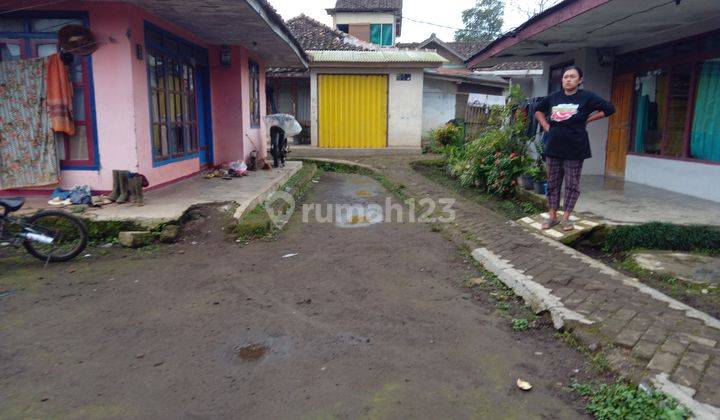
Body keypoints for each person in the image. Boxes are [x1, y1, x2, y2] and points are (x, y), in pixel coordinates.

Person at [534, 66, 615, 231]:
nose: (568, 79)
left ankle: (566, 218)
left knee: (572, 184)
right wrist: (545, 125)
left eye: (572, 76)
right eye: (565, 77)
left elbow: (609, 109)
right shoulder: (553, 97)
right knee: (552, 184)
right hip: (554, 147)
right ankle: (552, 217)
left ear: (580, 80)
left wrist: (589, 119)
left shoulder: (587, 97)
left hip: (575, 148)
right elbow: (537, 110)